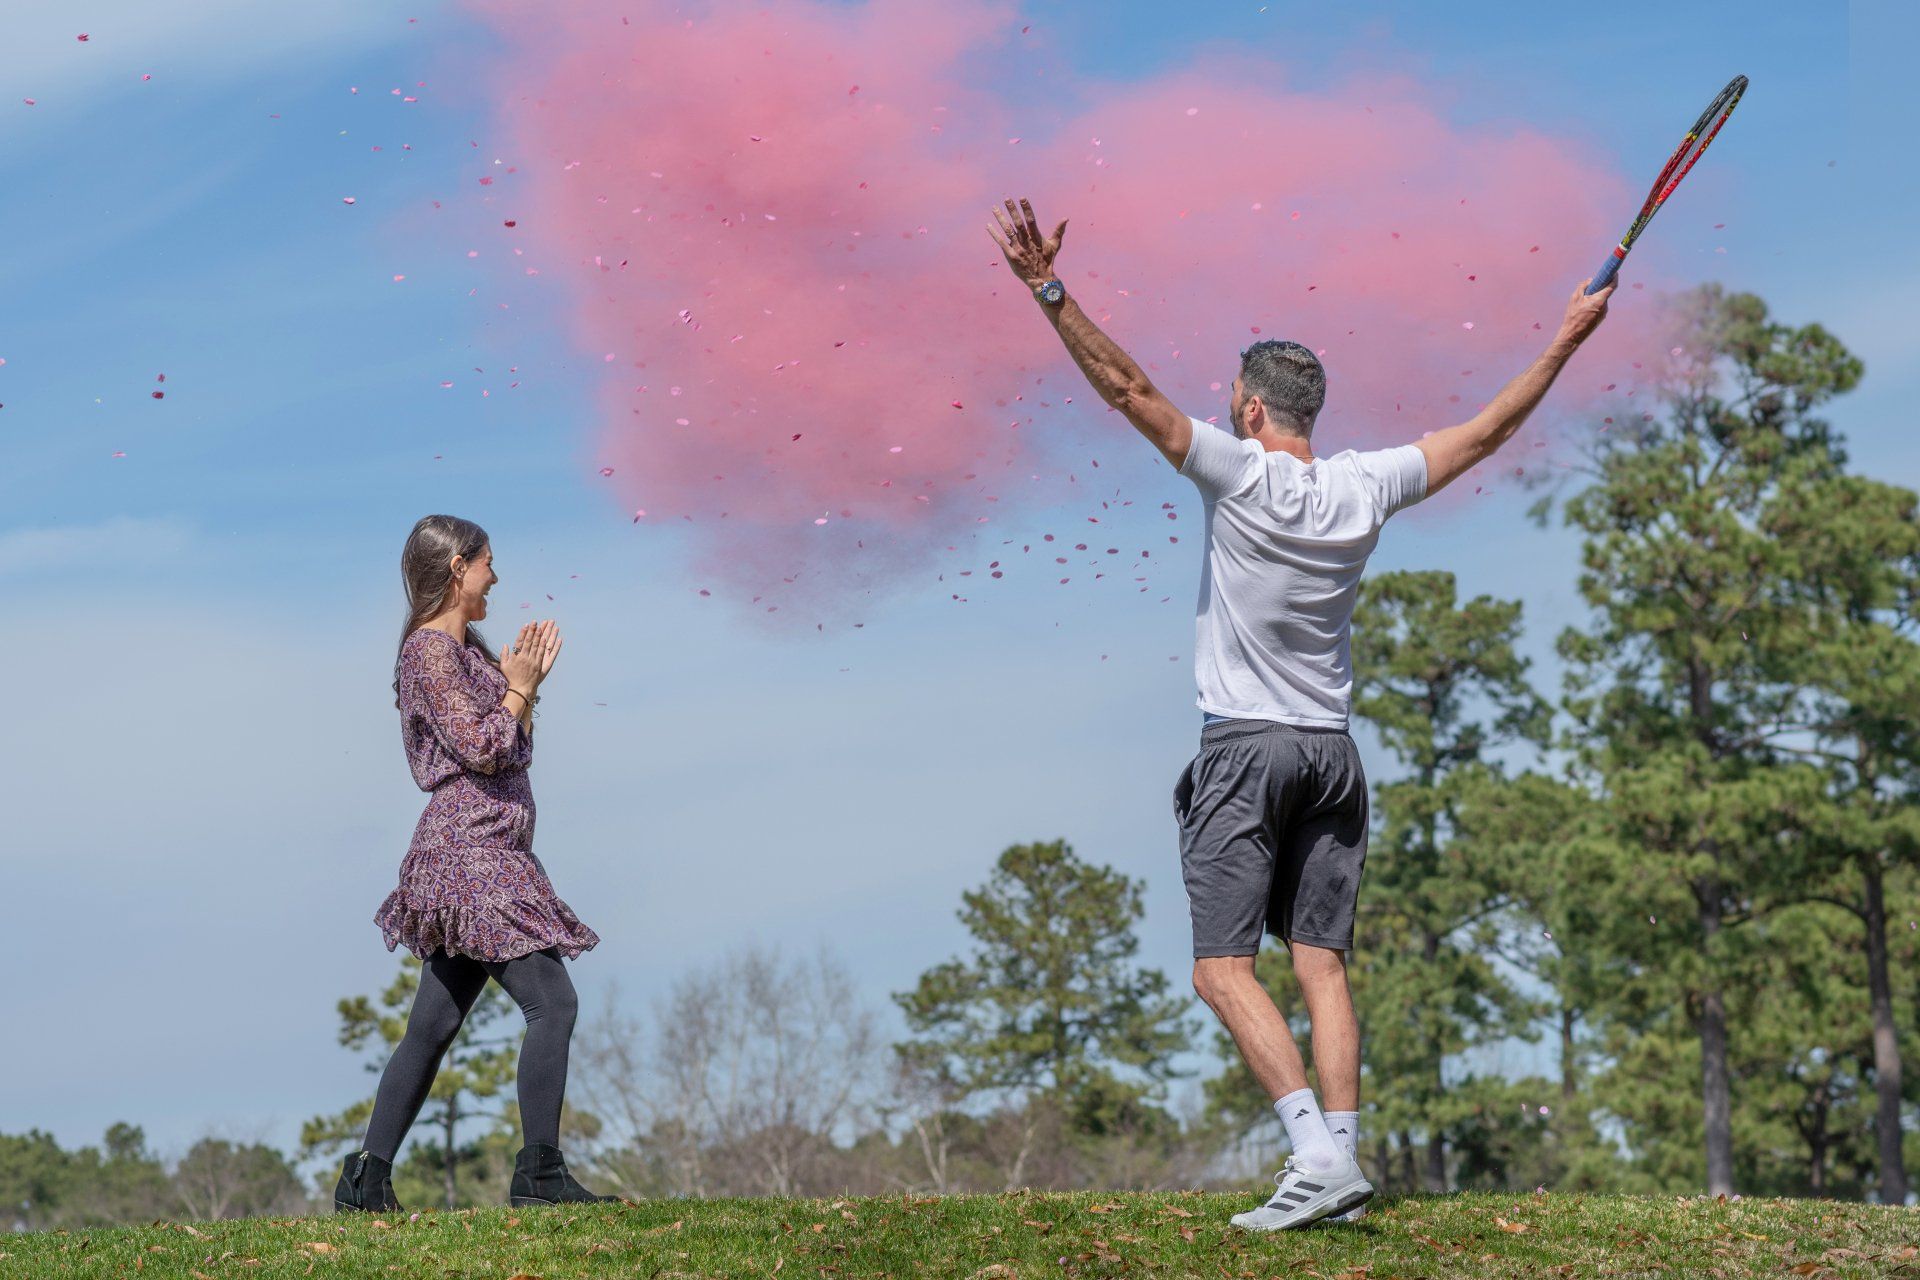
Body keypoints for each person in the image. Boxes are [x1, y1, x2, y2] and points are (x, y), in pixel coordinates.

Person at [988, 197, 1612, 1229]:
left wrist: (1048, 291)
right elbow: (1494, 431)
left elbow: (1127, 386)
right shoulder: (1366, 488)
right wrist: (1563, 338)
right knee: (1319, 962)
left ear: (1248, 409)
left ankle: (1317, 1155)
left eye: (1229, 395)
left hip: (1248, 748)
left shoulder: (1236, 476)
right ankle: (1349, 1169)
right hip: (1332, 752)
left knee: (1220, 969)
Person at [333, 514, 616, 1212]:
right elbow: (485, 748)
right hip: (470, 855)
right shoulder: (429, 653)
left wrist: (524, 683)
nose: (497, 576)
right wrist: (518, 689)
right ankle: (539, 1175)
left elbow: (510, 747)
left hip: (487, 847)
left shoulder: (467, 655)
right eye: (490, 562)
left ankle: (367, 1182)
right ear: (458, 567)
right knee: (552, 1002)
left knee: (432, 1026)